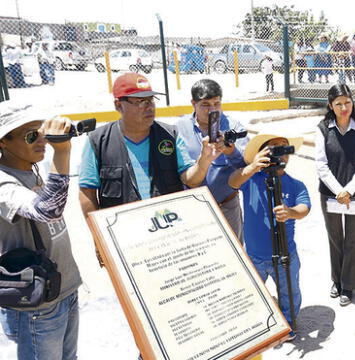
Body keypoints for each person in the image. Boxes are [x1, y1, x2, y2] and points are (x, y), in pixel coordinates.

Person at [78, 73, 219, 256]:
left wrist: (204, 160)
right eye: (140, 101)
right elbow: (87, 193)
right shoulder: (98, 141)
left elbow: (191, 180)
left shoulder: (170, 135)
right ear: (118, 105)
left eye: (151, 100)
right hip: (125, 238)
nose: (149, 107)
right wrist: (99, 238)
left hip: (169, 234)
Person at [0, 101, 82, 360]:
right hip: (36, 302)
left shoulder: (31, 169)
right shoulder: (4, 182)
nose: (42, 141)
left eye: (42, 133)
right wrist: (63, 152)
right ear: (3, 141)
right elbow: (47, 210)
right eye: (31, 135)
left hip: (62, 289)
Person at [228, 132, 310, 335]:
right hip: (255, 254)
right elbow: (233, 182)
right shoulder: (252, 179)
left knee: (289, 292)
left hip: (285, 254)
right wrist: (253, 166)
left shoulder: (295, 184)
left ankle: (289, 322)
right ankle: (257, 324)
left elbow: (304, 208)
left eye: (284, 148)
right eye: (273, 148)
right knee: (253, 293)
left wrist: (290, 212)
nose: (280, 154)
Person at [315, 84, 355, 306]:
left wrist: (350, 190)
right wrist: (339, 191)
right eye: (338, 103)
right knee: (335, 238)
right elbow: (321, 164)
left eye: (347, 102)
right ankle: (336, 280)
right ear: (331, 106)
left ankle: (348, 285)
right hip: (330, 194)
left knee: (352, 239)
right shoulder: (322, 128)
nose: (343, 107)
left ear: (352, 102)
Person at [174, 79, 248, 240]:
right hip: (193, 209)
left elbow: (247, 168)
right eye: (206, 104)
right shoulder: (179, 129)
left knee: (234, 254)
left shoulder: (234, 128)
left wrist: (231, 151)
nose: (212, 110)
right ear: (193, 103)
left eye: (217, 104)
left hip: (227, 206)